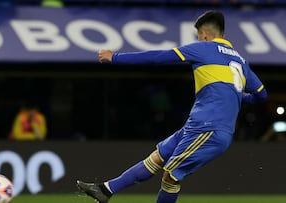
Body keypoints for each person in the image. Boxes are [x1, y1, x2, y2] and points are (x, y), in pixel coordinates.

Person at [76, 10, 268, 203]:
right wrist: (238, 97)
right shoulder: (241, 61)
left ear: (204, 35)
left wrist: (114, 57)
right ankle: (106, 190)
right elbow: (261, 94)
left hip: (209, 128)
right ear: (223, 35)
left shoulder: (203, 48)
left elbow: (157, 57)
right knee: (156, 158)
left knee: (170, 175)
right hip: (199, 126)